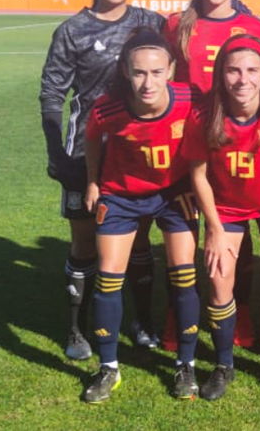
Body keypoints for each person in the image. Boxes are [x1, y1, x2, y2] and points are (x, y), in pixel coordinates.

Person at [39, 0, 165, 361]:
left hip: (137, 152)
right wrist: (56, 152)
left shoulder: (151, 24)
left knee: (140, 237)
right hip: (83, 153)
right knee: (85, 241)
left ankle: (142, 322)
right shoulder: (73, 30)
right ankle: (77, 328)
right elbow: (52, 94)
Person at [80, 28, 200, 403]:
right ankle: (108, 368)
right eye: (139, 73)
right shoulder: (108, 108)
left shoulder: (190, 98)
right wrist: (93, 183)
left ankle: (186, 365)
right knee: (109, 280)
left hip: (173, 194)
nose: (148, 83)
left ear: (171, 70)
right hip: (122, 196)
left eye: (157, 72)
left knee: (183, 276)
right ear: (125, 71)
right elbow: (91, 138)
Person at [181, 34, 260, 400]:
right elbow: (198, 174)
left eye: (251, 70)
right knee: (219, 280)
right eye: (233, 71)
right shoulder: (204, 114)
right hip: (227, 209)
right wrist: (214, 229)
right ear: (221, 75)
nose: (242, 79)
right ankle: (223, 364)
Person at [163, 0, 260, 350]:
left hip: (235, 145)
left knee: (233, 233)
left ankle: (239, 310)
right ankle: (179, 315)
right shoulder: (177, 24)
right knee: (183, 235)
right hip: (188, 146)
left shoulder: (255, 28)